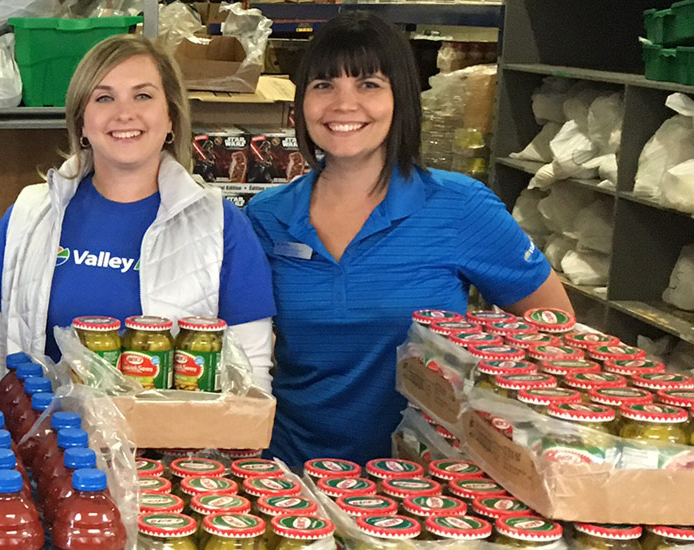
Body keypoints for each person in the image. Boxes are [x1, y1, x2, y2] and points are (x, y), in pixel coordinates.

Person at [243, 12, 571, 463]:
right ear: (301, 104)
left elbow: (553, 324)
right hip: (292, 476)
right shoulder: (267, 216)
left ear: (402, 99)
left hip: (428, 483)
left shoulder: (460, 206)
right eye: (324, 85)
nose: (343, 104)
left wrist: (489, 411)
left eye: (369, 85)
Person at [0, 34, 277, 386]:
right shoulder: (29, 214)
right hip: (39, 438)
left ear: (171, 116)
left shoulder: (221, 225)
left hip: (169, 441)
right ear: (82, 122)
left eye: (142, 95)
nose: (124, 113)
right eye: (104, 97)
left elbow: (249, 373)